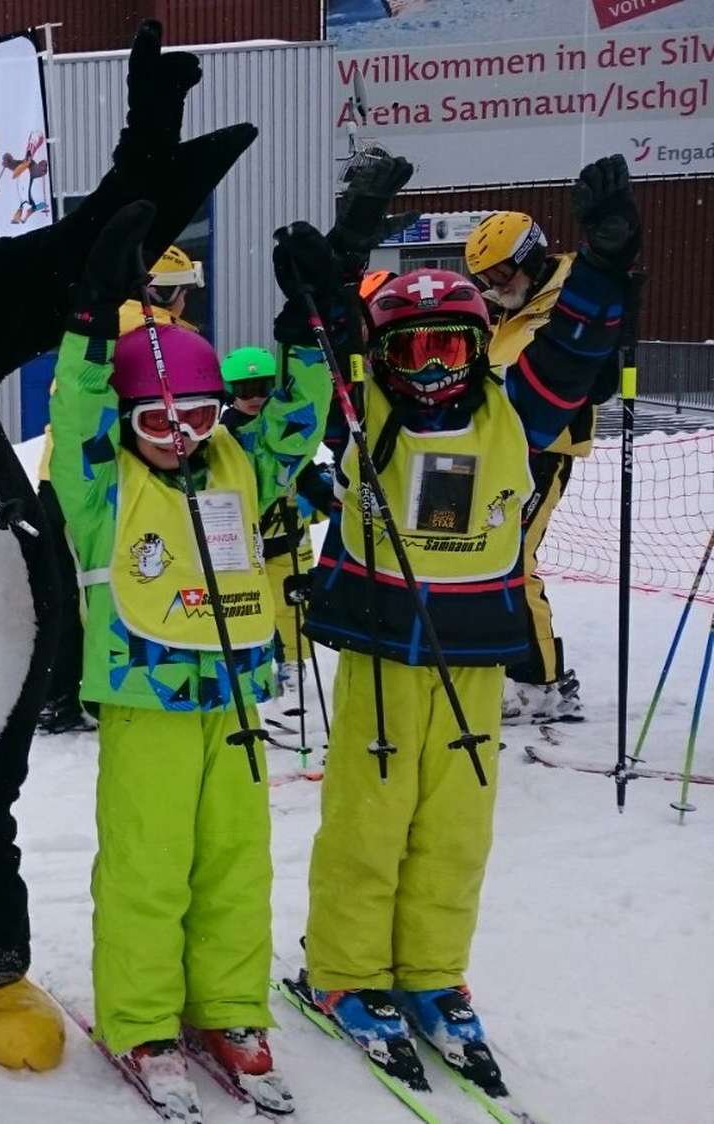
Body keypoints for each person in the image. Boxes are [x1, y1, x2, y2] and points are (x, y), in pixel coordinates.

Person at [297, 237, 635, 1095]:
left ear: (480, 347)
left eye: (450, 347)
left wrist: (601, 274)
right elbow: (325, 341)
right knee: (369, 825)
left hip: (474, 658)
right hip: (382, 655)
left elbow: (571, 356)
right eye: (412, 350)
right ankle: (346, 972)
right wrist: (337, 268)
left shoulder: (512, 415)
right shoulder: (364, 411)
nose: (433, 370)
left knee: (455, 832)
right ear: (384, 357)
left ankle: (430, 972)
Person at [49, 205, 329, 1120]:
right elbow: (77, 411)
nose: (180, 434)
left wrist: (307, 333)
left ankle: (230, 1007)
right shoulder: (101, 485)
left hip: (236, 699)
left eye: (201, 415)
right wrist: (93, 323)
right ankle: (140, 1021)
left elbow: (294, 426)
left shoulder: (238, 469)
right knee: (149, 866)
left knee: (236, 865)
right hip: (147, 701)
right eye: (158, 418)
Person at [464, 156, 642, 723]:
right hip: (500, 447)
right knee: (491, 555)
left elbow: (584, 345)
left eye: (499, 274)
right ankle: (504, 663)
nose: (493, 288)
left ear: (529, 258)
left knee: (514, 559)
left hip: (546, 449)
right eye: (484, 279)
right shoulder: (508, 308)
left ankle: (542, 681)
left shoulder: (566, 289)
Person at [32, 243, 210, 736]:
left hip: (63, 477)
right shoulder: (164, 337)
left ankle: (58, 694)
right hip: (132, 480)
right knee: (144, 580)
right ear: (167, 294)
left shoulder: (96, 326)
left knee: (66, 590)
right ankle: (144, 680)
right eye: (183, 292)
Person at [221, 345, 335, 702]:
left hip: (288, 542)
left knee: (290, 610)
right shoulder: (223, 437)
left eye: (264, 388)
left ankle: (293, 664)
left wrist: (324, 499)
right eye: (245, 391)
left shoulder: (284, 431)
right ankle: (249, 666)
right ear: (230, 392)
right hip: (243, 548)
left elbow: (306, 472)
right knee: (245, 608)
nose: (255, 398)